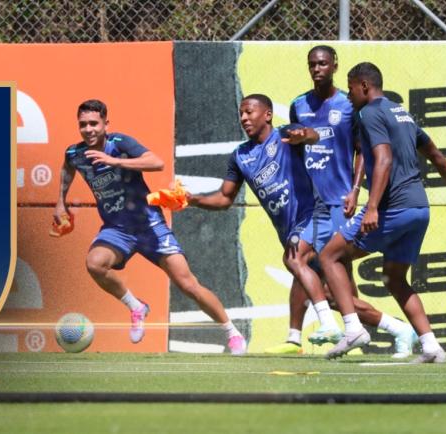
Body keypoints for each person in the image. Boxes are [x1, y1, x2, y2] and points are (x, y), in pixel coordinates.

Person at [54, 99, 247, 354]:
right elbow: (67, 169)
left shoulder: (119, 144)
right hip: (117, 229)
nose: (88, 129)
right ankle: (136, 307)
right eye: (83, 125)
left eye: (94, 123)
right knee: (95, 263)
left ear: (105, 124)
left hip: (149, 226)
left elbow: (156, 162)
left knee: (188, 285)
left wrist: (115, 162)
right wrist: (60, 202)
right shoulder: (74, 153)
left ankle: (232, 333)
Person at [266, 45, 418, 358]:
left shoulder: (348, 105)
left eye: (322, 63)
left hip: (339, 202)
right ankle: (304, 336)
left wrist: (355, 189)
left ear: (334, 66)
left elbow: (362, 150)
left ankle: (380, 329)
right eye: (312, 64)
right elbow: (297, 146)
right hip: (311, 204)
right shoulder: (298, 104)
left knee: (333, 281)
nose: (317, 69)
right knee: (302, 263)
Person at [320, 62, 446, 362]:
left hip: (394, 207)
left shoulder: (369, 113)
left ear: (364, 86)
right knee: (394, 278)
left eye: (351, 88)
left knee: (329, 256)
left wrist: (372, 207)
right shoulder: (402, 113)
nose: (349, 96)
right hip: (419, 209)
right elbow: (436, 156)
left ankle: (353, 328)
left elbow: (384, 159)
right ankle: (431, 346)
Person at [188, 94, 347, 342]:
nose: (243, 118)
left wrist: (305, 135)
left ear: (268, 115)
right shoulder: (240, 156)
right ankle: (394, 328)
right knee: (331, 295)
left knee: (293, 260)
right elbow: (224, 198)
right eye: (241, 113)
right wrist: (191, 199)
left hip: (314, 216)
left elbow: (312, 135)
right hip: (289, 230)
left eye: (249, 112)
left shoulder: (285, 135)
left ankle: (327, 325)